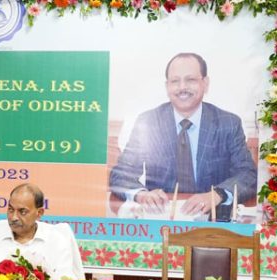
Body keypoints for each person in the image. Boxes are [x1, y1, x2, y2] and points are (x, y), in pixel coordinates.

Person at [109, 52, 257, 216]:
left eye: (190, 80)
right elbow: (120, 174)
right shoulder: (148, 122)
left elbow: (247, 174)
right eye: (175, 81)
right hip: (162, 218)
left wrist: (217, 195)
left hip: (213, 218)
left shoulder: (228, 123)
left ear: (205, 83)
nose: (182, 87)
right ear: (167, 86)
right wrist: (142, 195)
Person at [0, 183, 84, 280]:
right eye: (11, 209)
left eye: (22, 212)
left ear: (39, 213)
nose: (14, 217)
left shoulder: (56, 239)